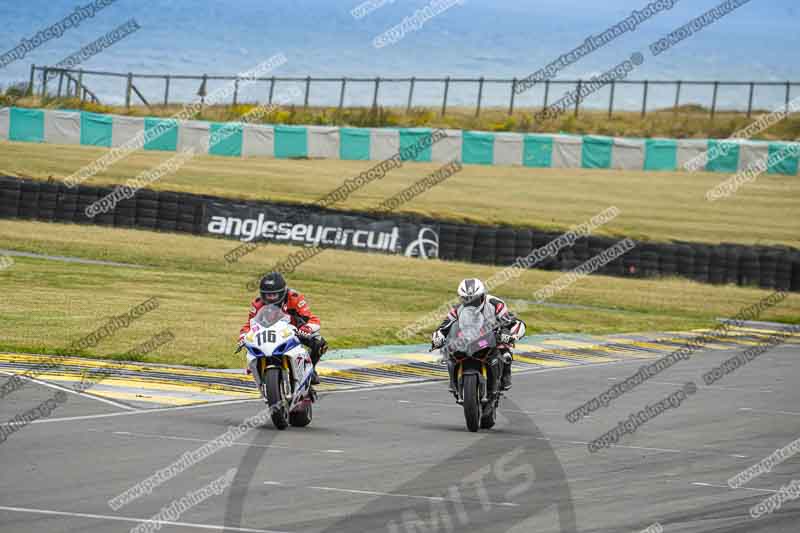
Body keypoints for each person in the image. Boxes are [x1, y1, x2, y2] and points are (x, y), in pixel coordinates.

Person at [431, 278, 526, 392]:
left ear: (482, 296)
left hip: (491, 337)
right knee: (448, 354)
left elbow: (512, 322)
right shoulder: (457, 309)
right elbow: (444, 327)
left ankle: (505, 376)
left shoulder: (495, 304)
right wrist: (438, 338)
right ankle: (453, 381)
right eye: (466, 299)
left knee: (505, 353)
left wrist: (511, 335)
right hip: (467, 339)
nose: (470, 302)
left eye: (474, 299)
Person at [239, 272, 328, 386]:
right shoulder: (257, 304)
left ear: (282, 292)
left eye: (274, 295)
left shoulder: (295, 298)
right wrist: (242, 336)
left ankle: (310, 370)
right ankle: (257, 369)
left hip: (294, 331)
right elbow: (250, 324)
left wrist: (307, 328)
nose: (270, 298)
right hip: (268, 333)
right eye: (267, 295)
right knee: (250, 345)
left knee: (320, 343)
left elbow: (312, 318)